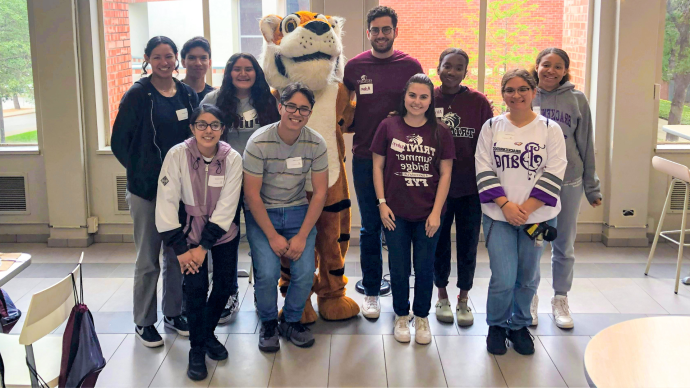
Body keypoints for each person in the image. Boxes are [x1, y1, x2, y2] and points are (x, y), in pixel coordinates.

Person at [111, 36, 198, 348]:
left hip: (180, 192)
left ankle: (173, 313)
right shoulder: (138, 95)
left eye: (169, 57)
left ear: (177, 59)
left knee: (177, 255)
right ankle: (144, 321)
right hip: (147, 191)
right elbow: (119, 143)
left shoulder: (186, 94)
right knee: (148, 259)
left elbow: (196, 137)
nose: (164, 62)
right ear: (147, 58)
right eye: (158, 57)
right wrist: (143, 170)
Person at [475, 69, 566, 356]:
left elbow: (555, 171)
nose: (516, 95)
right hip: (498, 215)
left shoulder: (550, 129)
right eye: (510, 90)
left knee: (528, 277)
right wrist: (506, 205)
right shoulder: (491, 126)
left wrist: (525, 209)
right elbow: (483, 167)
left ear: (534, 91)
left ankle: (519, 325)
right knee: (503, 276)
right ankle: (497, 326)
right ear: (502, 94)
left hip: (537, 218)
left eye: (522, 89)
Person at [343, 5, 423, 319]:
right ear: (368, 33)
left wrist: (403, 116)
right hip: (364, 157)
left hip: (402, 160)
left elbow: (421, 105)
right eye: (375, 30)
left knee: (398, 227)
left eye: (386, 29)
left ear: (395, 31)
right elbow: (342, 107)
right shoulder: (353, 67)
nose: (380, 35)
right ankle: (372, 291)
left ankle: (402, 294)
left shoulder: (410, 66)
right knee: (370, 226)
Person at [155, 104, 242, 381]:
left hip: (222, 232)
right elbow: (166, 203)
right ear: (192, 128)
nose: (208, 130)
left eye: (215, 124)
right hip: (188, 235)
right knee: (195, 289)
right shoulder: (177, 154)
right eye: (201, 124)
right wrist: (182, 250)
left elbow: (228, 206)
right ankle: (196, 348)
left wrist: (204, 247)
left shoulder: (232, 158)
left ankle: (206, 334)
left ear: (222, 129)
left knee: (225, 285)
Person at [243, 83, 327, 352]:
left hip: (297, 211)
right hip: (262, 212)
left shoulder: (316, 142)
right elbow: (252, 196)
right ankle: (268, 321)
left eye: (304, 109)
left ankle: (290, 320)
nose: (296, 113)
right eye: (291, 106)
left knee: (304, 272)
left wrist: (302, 235)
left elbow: (320, 192)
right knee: (267, 273)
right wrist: (272, 235)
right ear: (280, 107)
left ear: (310, 113)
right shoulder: (258, 142)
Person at [371, 74, 455, 344]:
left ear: (431, 100)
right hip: (395, 213)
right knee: (398, 267)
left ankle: (421, 317)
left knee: (425, 267)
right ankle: (400, 315)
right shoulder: (388, 125)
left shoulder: (440, 131)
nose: (417, 101)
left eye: (423, 97)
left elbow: (445, 174)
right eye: (413, 95)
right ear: (404, 96)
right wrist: (382, 204)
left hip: (428, 215)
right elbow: (377, 167)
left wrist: (436, 213)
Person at [201, 53, 280, 323]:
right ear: (229, 72)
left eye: (248, 69)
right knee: (226, 239)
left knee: (260, 237)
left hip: (261, 181)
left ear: (257, 72)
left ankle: (262, 292)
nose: (243, 74)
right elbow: (201, 136)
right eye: (237, 69)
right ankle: (228, 293)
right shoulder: (213, 100)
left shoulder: (268, 101)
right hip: (224, 182)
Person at [530, 48, 601, 329]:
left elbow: (586, 144)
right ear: (536, 66)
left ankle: (560, 299)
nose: (551, 71)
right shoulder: (526, 93)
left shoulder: (577, 99)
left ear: (565, 70)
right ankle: (529, 298)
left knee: (564, 245)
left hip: (568, 183)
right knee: (533, 242)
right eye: (546, 65)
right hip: (533, 185)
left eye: (557, 66)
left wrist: (591, 187)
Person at [432, 48, 493, 326]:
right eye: (447, 66)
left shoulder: (478, 102)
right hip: (436, 190)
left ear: (466, 73)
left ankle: (464, 299)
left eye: (459, 68)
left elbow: (489, 143)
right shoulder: (428, 97)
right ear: (438, 68)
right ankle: (441, 295)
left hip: (470, 187)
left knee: (468, 245)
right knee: (438, 243)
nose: (452, 72)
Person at [180, 36, 215, 101]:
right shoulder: (173, 93)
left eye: (203, 58)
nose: (198, 63)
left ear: (209, 63)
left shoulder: (215, 97)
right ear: (183, 62)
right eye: (192, 58)